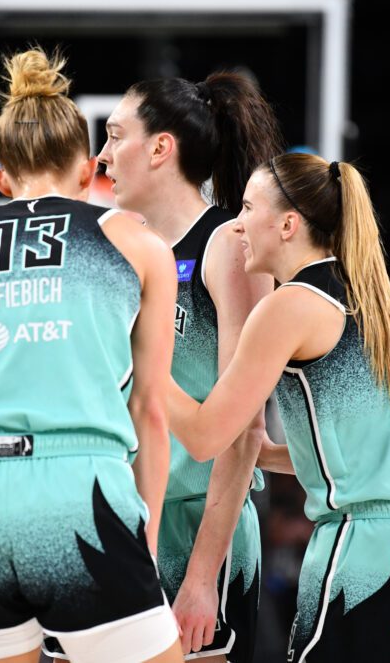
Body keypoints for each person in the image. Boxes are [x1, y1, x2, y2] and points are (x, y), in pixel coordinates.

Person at [0, 47, 183, 663]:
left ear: (2, 177)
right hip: (79, 488)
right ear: (92, 169)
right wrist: (141, 533)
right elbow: (151, 412)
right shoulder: (135, 241)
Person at [167, 153, 390, 661]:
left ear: (287, 225)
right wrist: (265, 455)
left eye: (246, 208)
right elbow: (379, 444)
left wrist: (145, 367)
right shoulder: (388, 306)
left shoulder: (289, 305)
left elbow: (204, 436)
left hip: (373, 555)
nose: (237, 225)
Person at [94, 71, 282, 661]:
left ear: (159, 147)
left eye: (113, 135)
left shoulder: (226, 242)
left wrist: (203, 577)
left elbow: (244, 432)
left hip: (198, 525)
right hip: (126, 520)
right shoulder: (119, 250)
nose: (101, 156)